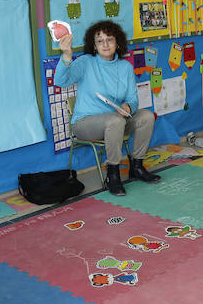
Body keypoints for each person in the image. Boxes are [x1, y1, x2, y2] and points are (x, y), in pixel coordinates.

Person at [55, 20, 161, 196]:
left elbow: (133, 100)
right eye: (99, 40)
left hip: (116, 122)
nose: (105, 44)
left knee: (146, 116)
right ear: (94, 46)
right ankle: (113, 174)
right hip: (85, 124)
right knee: (115, 121)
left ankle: (137, 166)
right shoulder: (86, 62)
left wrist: (128, 106)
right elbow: (61, 81)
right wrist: (66, 55)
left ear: (117, 42)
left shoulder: (125, 67)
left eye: (109, 39)